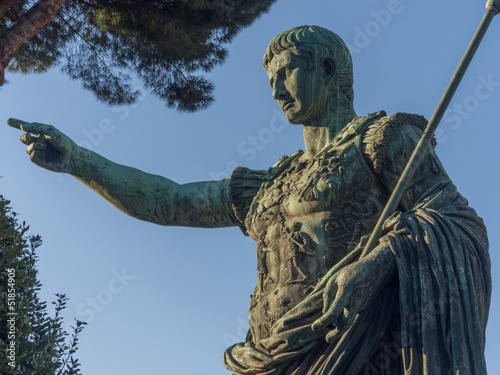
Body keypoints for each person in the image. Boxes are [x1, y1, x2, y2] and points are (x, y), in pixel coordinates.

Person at [8, 25, 490, 374]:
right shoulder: (269, 184)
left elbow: (454, 220)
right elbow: (170, 200)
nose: (277, 90)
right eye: (270, 82)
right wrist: (78, 161)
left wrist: (377, 263)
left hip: (356, 352)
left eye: (287, 73)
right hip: (267, 357)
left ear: (326, 69)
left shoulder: (383, 141)